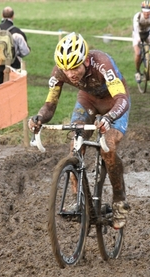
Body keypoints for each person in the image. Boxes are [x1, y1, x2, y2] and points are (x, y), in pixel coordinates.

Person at [28, 32, 131, 229]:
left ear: (85, 60)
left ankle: (119, 199)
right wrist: (39, 117)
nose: (71, 74)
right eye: (66, 69)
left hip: (114, 103)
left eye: (75, 67)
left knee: (108, 148)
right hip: (88, 101)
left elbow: (122, 99)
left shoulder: (102, 63)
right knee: (76, 144)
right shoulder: (59, 72)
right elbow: (50, 105)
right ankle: (78, 199)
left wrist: (109, 118)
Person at [0, 6, 30, 85]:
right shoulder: (18, 32)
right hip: (12, 68)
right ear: (13, 16)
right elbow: (25, 52)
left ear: (2, 15)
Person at [132, 1, 150, 83]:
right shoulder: (137, 16)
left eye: (148, 12)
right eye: (145, 12)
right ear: (142, 11)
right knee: (138, 53)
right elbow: (135, 30)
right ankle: (137, 72)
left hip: (146, 34)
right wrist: (138, 39)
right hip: (137, 35)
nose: (147, 14)